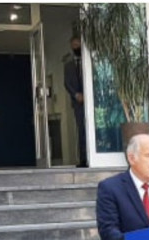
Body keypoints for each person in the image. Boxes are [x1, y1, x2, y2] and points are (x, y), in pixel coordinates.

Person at [63, 35, 87, 168]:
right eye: (74, 45)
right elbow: (67, 83)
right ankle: (83, 159)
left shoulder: (88, 62)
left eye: (78, 44)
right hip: (78, 103)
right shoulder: (68, 65)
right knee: (81, 130)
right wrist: (76, 95)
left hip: (92, 102)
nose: (76, 47)